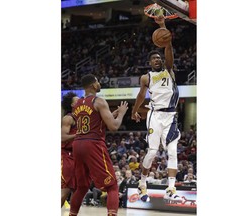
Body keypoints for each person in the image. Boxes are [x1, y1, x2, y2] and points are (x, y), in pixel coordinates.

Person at [131, 15, 182, 202]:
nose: (157, 60)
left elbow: (168, 47)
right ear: (149, 63)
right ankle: (142, 183)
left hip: (171, 117)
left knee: (172, 151)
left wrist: (162, 25)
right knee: (152, 152)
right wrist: (134, 110)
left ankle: (171, 187)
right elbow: (140, 95)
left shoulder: (169, 70)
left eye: (159, 57)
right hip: (154, 115)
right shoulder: (146, 78)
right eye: (154, 59)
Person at [69, 74, 128, 216]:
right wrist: (121, 114)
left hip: (77, 144)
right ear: (93, 85)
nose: (99, 83)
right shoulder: (99, 101)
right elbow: (113, 126)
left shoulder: (77, 104)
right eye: (97, 81)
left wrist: (109, 114)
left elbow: (93, 121)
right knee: (112, 186)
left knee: (82, 187)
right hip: (93, 144)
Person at [61, 92, 80, 207]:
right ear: (72, 105)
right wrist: (78, 134)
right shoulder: (68, 118)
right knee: (64, 191)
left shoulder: (82, 118)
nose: (81, 101)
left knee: (78, 191)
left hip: (78, 157)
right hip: (67, 156)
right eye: (77, 100)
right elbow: (62, 137)